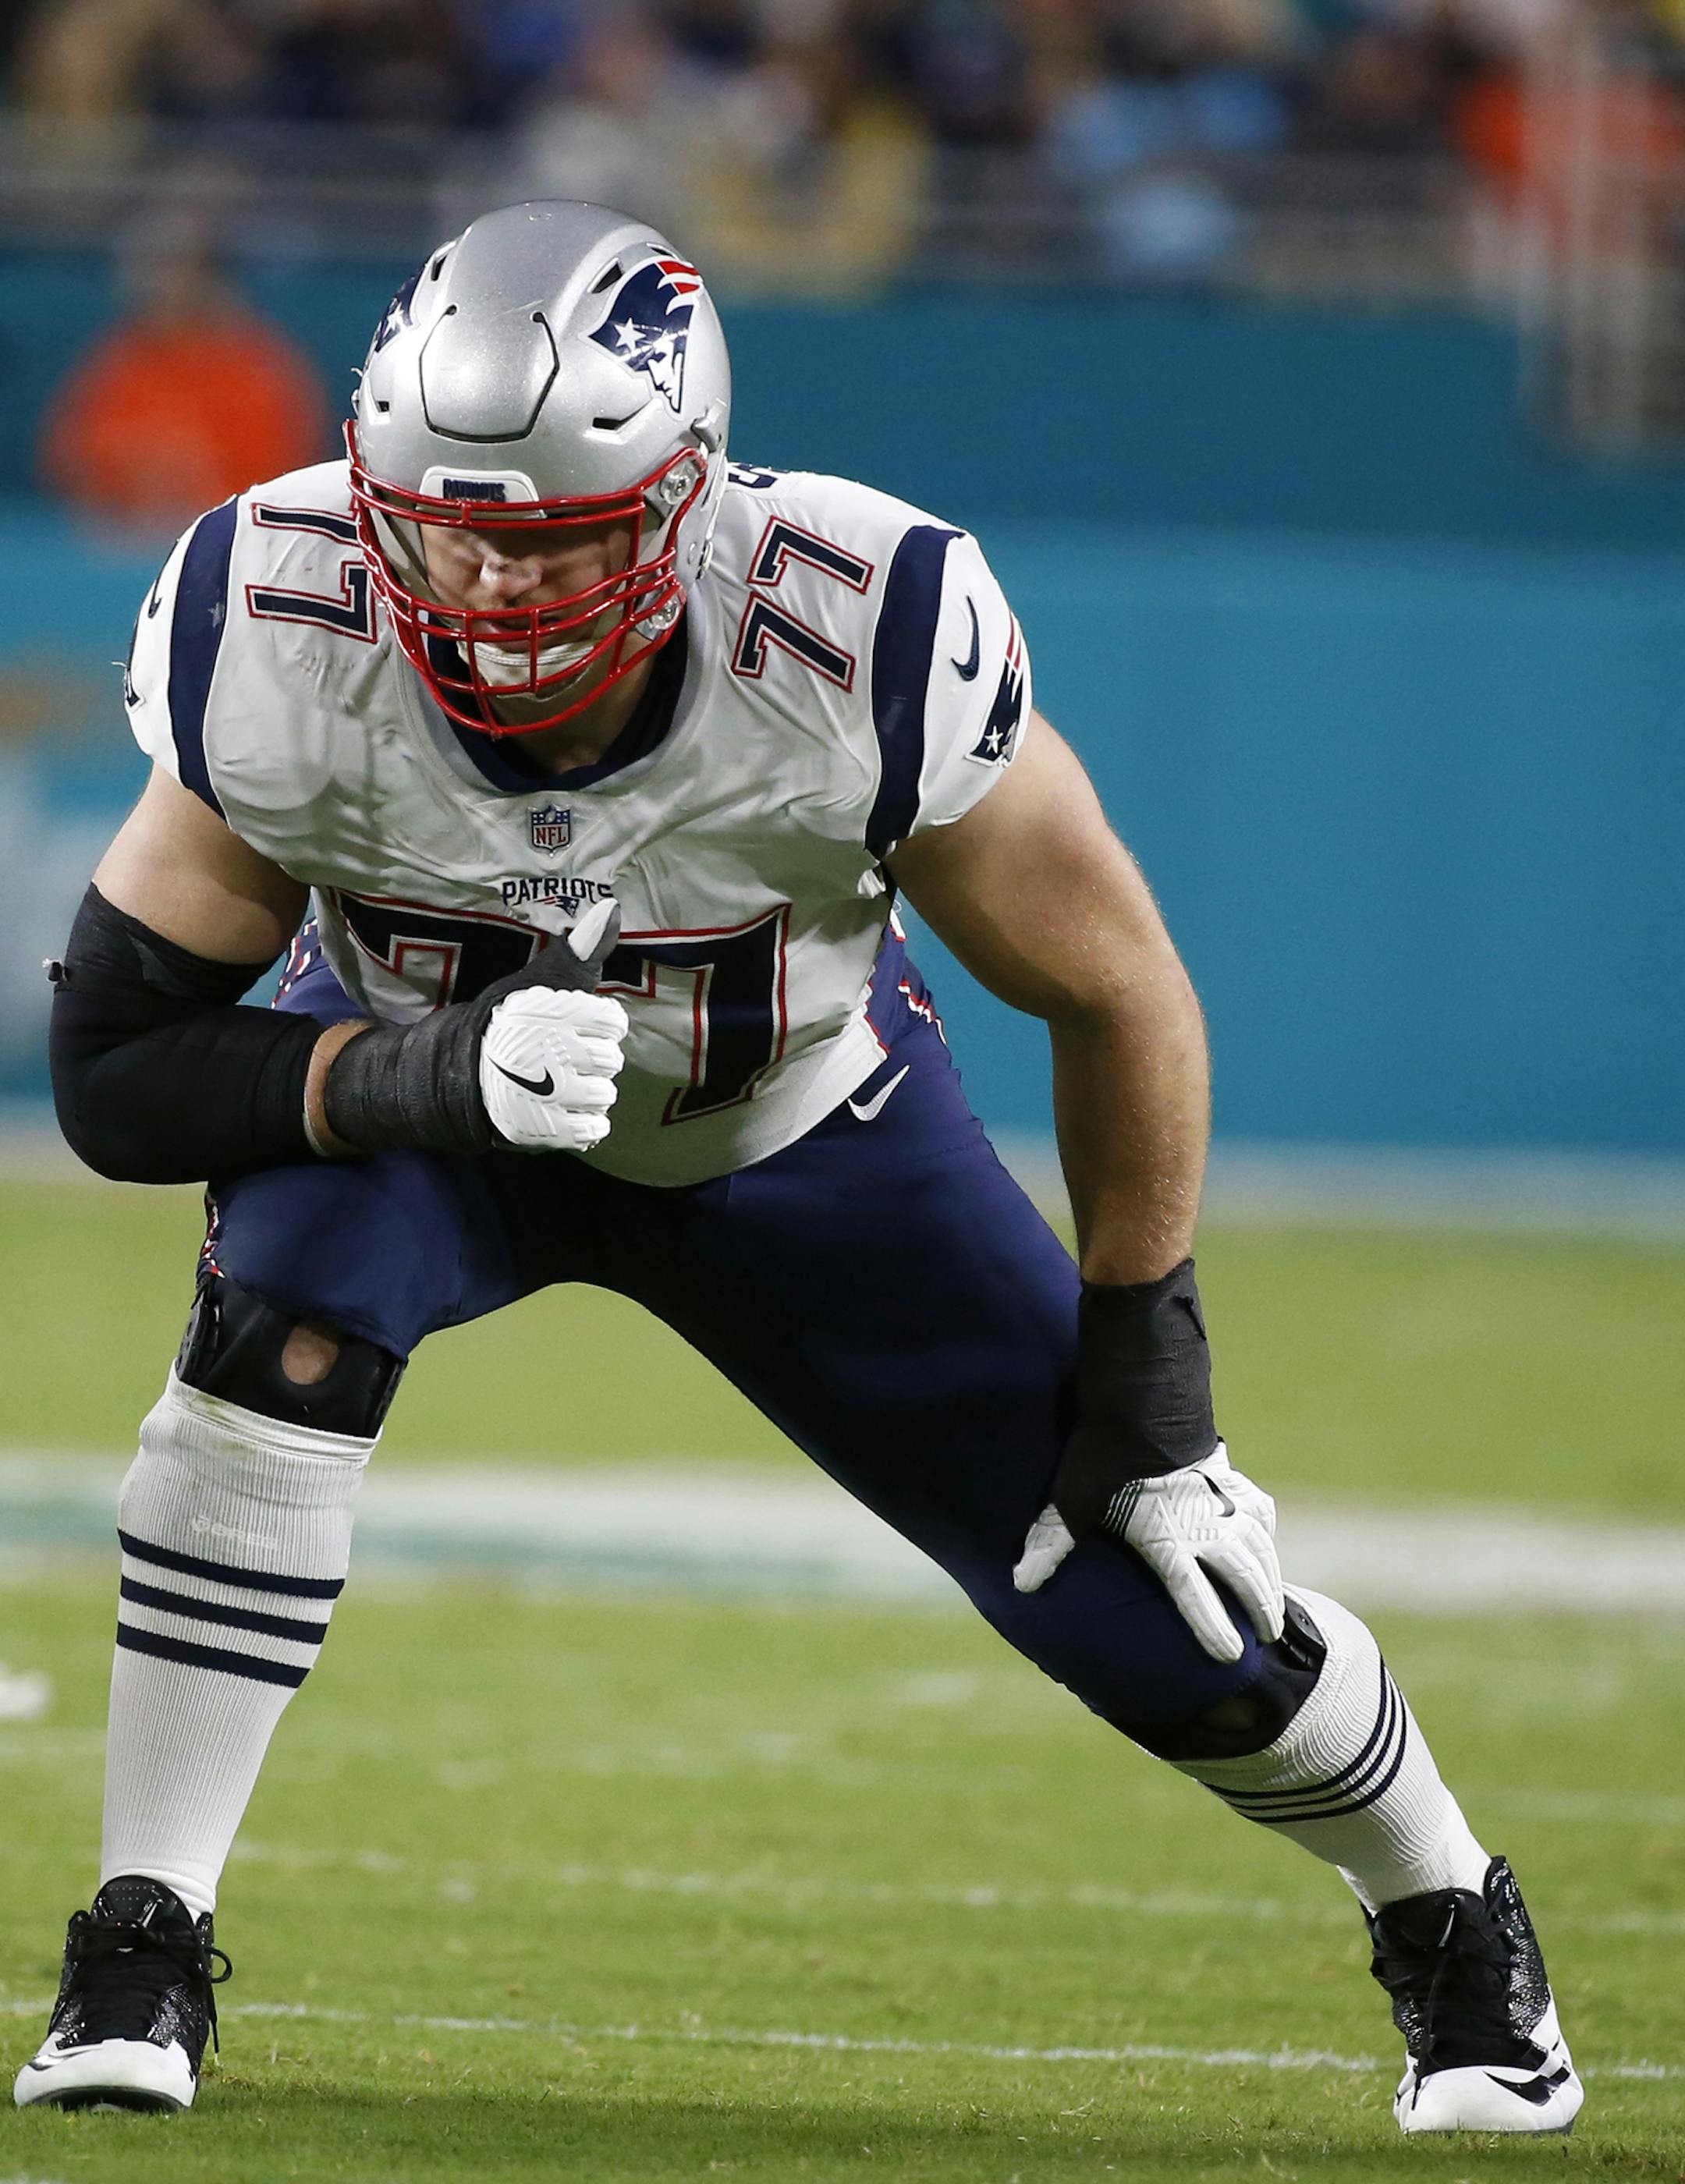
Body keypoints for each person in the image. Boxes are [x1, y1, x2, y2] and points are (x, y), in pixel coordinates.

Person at [16, 200, 1581, 2136]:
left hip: (792, 1126)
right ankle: (144, 1930)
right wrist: (427, 1072)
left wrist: (1152, 1364)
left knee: (1140, 1582)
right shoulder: (278, 612)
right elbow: (115, 1071)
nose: (497, 588)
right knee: (279, 1333)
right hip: (432, 1119)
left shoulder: (858, 625)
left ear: (686, 500)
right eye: (448, 531)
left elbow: (1115, 986)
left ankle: (1448, 1908)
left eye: (565, 538)